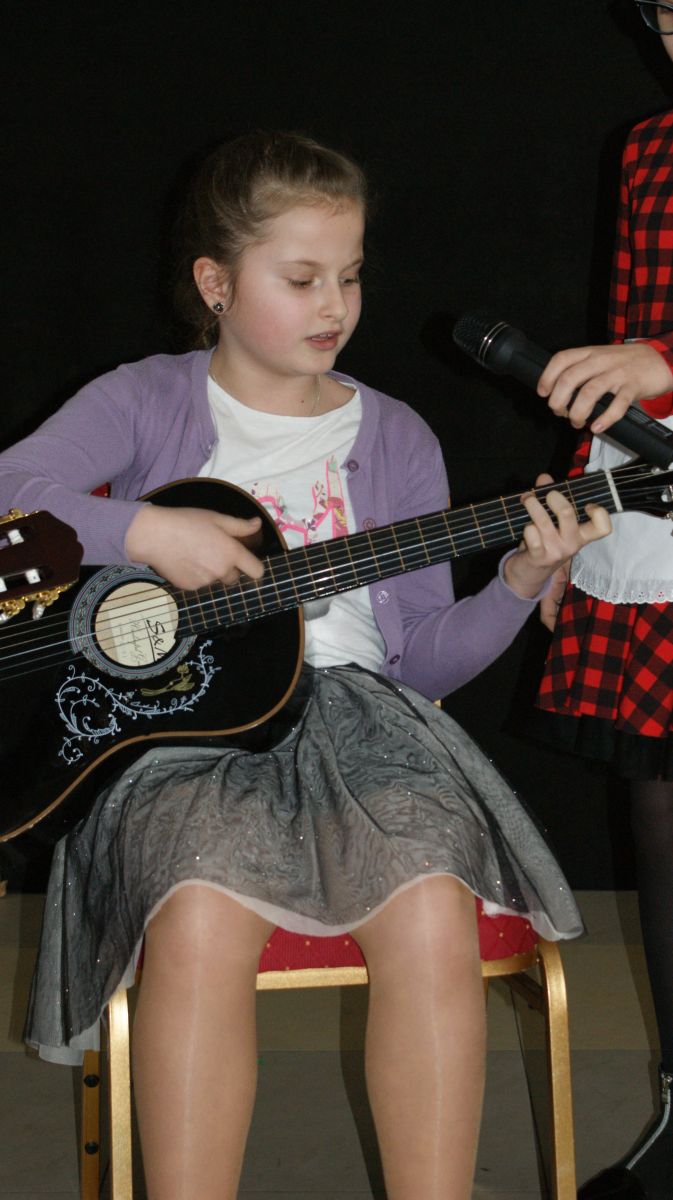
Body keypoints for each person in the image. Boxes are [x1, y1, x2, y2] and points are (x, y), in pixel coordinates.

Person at [0, 130, 610, 1200]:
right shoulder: (145, 398)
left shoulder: (397, 436)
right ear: (216, 283)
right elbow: (15, 493)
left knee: (429, 903)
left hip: (366, 724)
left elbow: (422, 665)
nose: (335, 305)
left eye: (351, 275)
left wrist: (517, 581)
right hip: (182, 731)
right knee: (198, 913)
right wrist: (146, 529)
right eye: (300, 278)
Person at [534, 4, 673, 1196]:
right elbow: (616, 359)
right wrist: (574, 525)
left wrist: (665, 362)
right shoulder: (647, 152)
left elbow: (648, 358)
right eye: (663, 14)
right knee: (661, 816)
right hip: (656, 507)